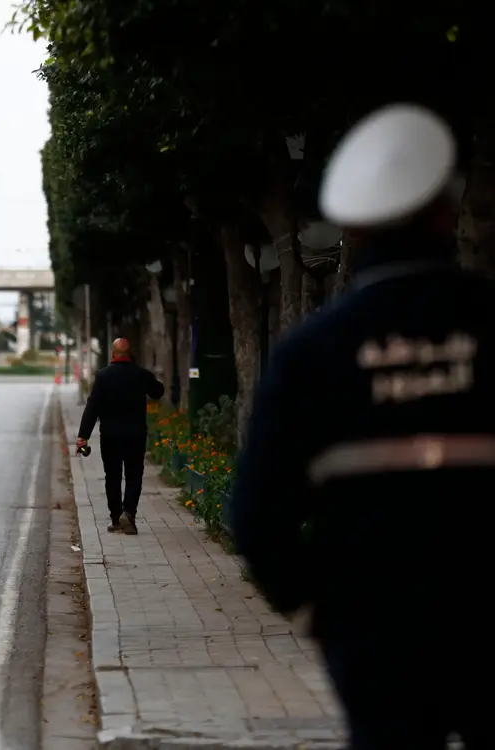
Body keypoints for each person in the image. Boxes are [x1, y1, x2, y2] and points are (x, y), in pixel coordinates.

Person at [230, 102, 495, 749]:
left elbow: (256, 513)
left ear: (351, 228)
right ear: (445, 211)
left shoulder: (313, 352)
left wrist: (317, 606)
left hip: (377, 630)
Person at [77, 338, 165, 534]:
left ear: (113, 354)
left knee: (113, 477)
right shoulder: (140, 375)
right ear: (130, 354)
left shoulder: (103, 376)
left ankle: (116, 519)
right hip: (135, 435)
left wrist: (83, 436)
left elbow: (92, 408)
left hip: (110, 436)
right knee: (134, 475)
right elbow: (158, 392)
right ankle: (129, 513)